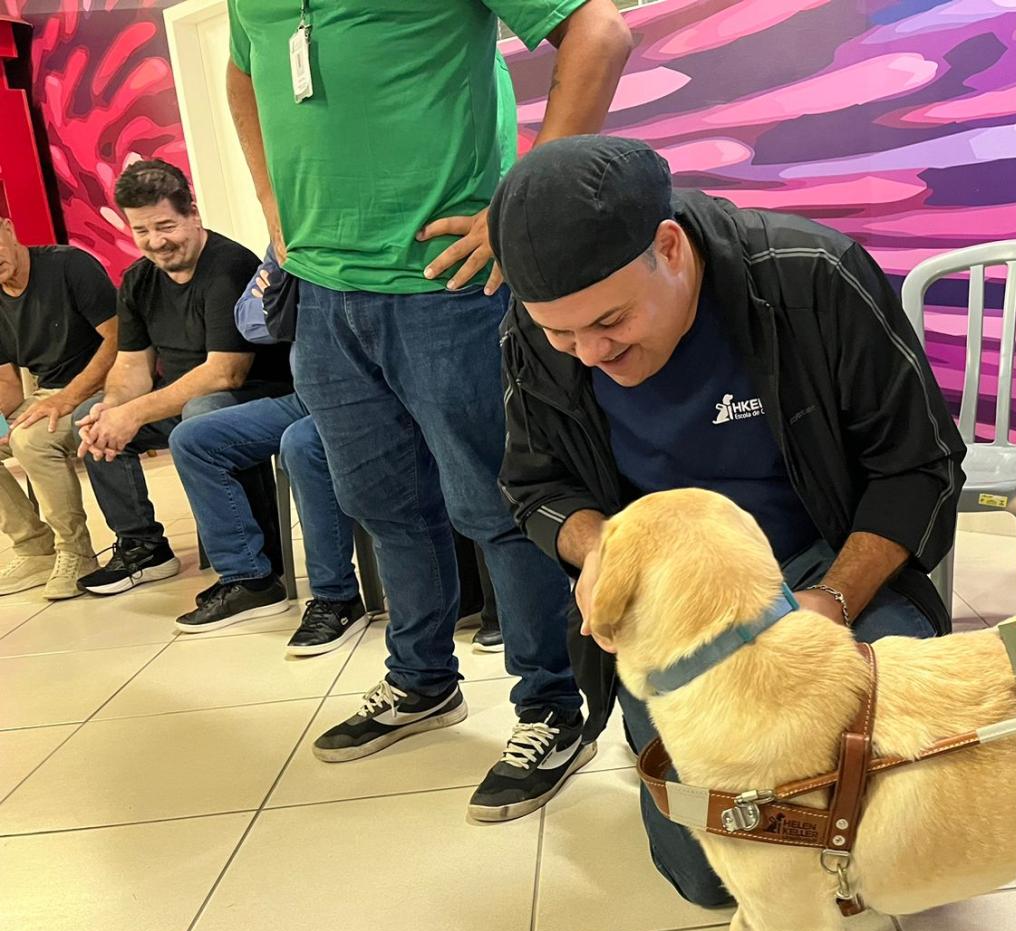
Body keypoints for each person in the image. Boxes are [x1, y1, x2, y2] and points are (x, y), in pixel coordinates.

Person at [492, 135, 968, 906]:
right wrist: (603, 550)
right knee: (717, 877)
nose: (588, 353)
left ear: (670, 249)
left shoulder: (814, 278)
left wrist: (832, 601)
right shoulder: (537, 336)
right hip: (672, 596)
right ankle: (653, 729)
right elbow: (534, 484)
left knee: (897, 810)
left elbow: (920, 466)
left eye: (609, 320)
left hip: (825, 556)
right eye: (561, 334)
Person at [225, 0, 631, 821]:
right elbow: (244, 69)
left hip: (448, 289)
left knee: (504, 506)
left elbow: (601, 30)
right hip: (321, 291)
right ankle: (420, 680)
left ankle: (550, 708)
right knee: (381, 503)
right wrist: (272, 204)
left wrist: (521, 206)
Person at [73, 160, 291, 595]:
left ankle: (256, 568)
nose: (156, 242)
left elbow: (225, 373)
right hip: (181, 400)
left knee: (202, 414)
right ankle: (143, 547)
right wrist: (112, 408)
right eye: (141, 231)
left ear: (193, 214)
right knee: (91, 417)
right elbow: (132, 365)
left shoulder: (229, 265)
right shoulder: (137, 280)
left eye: (166, 226)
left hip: (252, 396)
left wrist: (134, 411)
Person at [167, 251, 368, 654]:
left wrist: (281, 299)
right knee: (193, 440)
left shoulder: (348, 235)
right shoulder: (284, 242)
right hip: (306, 394)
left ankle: (337, 596)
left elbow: (343, 317)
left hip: (364, 397)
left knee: (302, 443)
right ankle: (250, 580)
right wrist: (289, 303)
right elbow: (251, 323)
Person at [0, 214, 115, 598]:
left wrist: (70, 397)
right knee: (11, 434)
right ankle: (34, 549)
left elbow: (119, 342)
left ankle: (76, 551)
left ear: (8, 227)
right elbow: (7, 386)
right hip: (47, 395)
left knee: (31, 440)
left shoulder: (69, 265)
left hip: (105, 388)